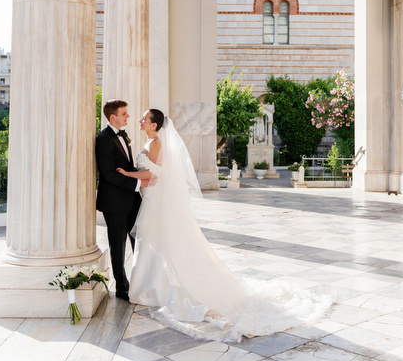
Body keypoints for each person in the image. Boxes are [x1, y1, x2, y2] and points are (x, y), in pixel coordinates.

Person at [117, 109, 331, 342]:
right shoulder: (151, 141)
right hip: (152, 197)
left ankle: (162, 288)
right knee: (156, 243)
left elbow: (155, 171)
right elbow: (155, 175)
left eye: (144, 119)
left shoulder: (156, 143)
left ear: (155, 125)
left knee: (162, 242)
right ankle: (155, 285)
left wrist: (129, 173)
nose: (140, 120)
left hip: (157, 201)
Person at [95, 99, 153, 301]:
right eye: (124, 113)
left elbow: (126, 169)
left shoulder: (124, 135)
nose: (128, 116)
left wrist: (145, 175)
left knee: (140, 240)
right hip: (114, 202)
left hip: (132, 199)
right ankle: (122, 288)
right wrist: (138, 184)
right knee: (117, 246)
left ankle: (141, 282)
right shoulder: (103, 138)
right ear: (113, 117)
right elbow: (109, 174)